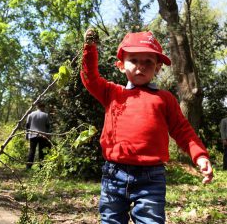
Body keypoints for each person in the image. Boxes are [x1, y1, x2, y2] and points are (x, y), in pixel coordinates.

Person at [80, 29, 213, 224]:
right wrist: (90, 49)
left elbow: (182, 130)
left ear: (158, 67)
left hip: (151, 177)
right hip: (114, 173)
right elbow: (90, 78)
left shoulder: (164, 99)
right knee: (110, 220)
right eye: (133, 60)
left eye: (148, 62)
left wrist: (200, 155)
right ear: (120, 65)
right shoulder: (111, 93)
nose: (140, 67)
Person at [26, 102, 50, 169]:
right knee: (41, 151)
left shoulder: (30, 115)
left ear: (37, 107)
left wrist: (27, 135)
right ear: (43, 107)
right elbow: (47, 126)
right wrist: (48, 135)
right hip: (43, 135)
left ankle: (28, 166)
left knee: (32, 151)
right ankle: (41, 167)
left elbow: (27, 126)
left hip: (32, 135)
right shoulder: (45, 115)